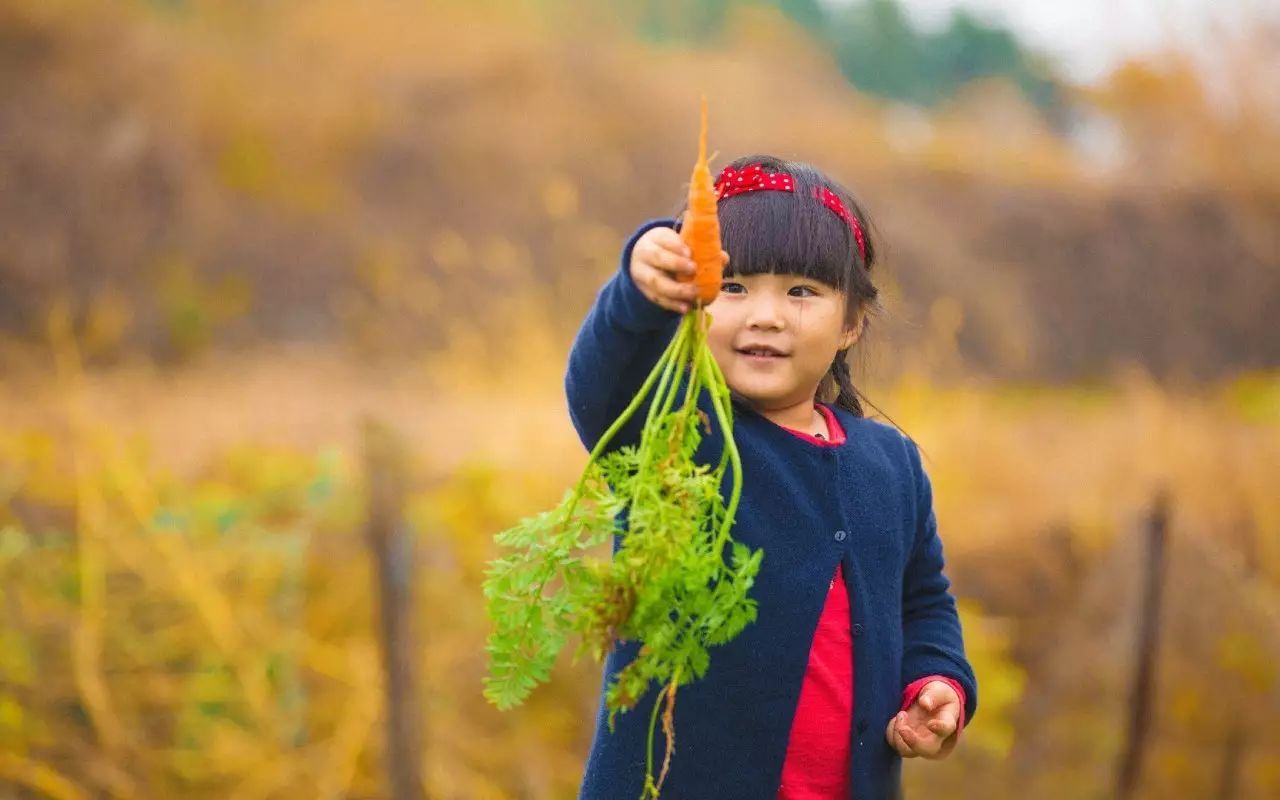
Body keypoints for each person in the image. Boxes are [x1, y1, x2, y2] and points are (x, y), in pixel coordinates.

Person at [568, 155, 977, 799]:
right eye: (733, 287)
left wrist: (937, 684)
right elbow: (602, 387)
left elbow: (923, 602)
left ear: (852, 324)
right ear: (693, 303)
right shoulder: (678, 433)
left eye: (801, 292)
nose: (765, 315)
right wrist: (639, 290)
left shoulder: (891, 464)